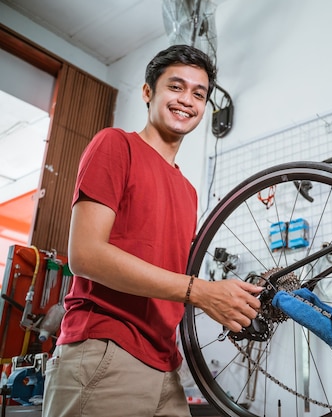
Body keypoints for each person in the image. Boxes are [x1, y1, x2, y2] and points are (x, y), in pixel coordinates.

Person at [42, 44, 262, 417]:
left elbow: (170, 280)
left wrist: (239, 299)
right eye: (175, 87)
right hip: (106, 348)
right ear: (148, 92)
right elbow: (85, 255)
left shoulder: (189, 191)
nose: (187, 101)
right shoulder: (115, 145)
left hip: (166, 365)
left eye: (198, 93)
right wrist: (200, 291)